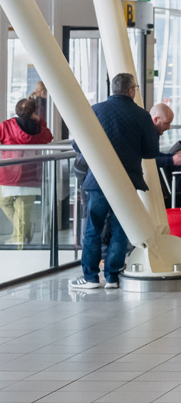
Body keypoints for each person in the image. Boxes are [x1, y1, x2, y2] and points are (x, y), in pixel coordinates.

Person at [71, 73, 158, 290]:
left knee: (93, 228)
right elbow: (150, 152)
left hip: (99, 180)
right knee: (120, 229)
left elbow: (78, 145)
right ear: (131, 91)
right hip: (127, 181)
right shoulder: (141, 115)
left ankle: (90, 278)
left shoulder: (95, 110)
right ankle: (112, 277)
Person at [0, 98, 52, 246]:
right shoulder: (38, 128)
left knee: (4, 202)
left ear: (17, 111)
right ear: (33, 112)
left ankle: (20, 236)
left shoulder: (7, 126)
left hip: (8, 174)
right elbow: (49, 137)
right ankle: (23, 231)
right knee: (23, 208)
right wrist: (41, 122)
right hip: (31, 174)